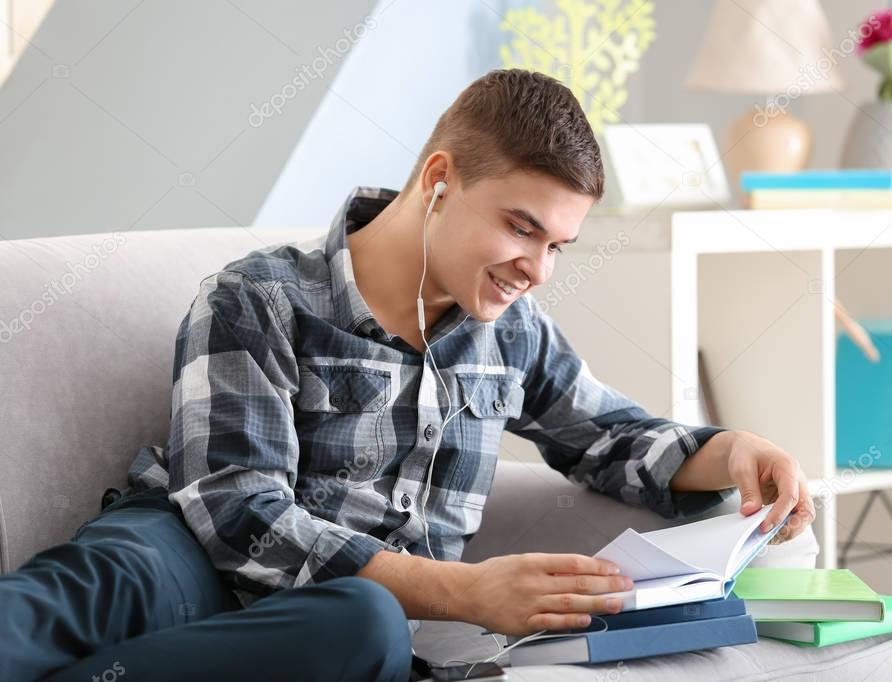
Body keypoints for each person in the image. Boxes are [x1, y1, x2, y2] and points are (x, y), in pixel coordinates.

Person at [0, 68, 814, 682]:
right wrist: (464, 591)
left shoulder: (511, 334)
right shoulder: (261, 297)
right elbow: (236, 510)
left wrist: (737, 450)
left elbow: (616, 438)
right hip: (190, 557)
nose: (536, 268)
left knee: (366, 625)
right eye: (519, 228)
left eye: (556, 245)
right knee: (112, 578)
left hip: (329, 614)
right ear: (437, 181)